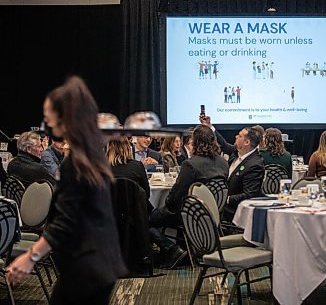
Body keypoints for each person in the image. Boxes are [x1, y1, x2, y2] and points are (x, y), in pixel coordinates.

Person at [6, 76, 126, 304]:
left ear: (64, 117)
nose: (46, 120)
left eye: (48, 113)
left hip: (84, 265)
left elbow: (65, 222)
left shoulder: (75, 164)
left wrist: (30, 257)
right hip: (102, 263)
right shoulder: (93, 156)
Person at [150, 125, 229, 265]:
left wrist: (166, 203)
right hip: (215, 213)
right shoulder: (223, 163)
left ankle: (172, 249)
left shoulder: (191, 164)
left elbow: (175, 197)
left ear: (195, 142)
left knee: (143, 219)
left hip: (190, 214)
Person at [106, 137, 151, 212]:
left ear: (109, 149)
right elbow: (146, 194)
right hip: (134, 215)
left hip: (108, 215)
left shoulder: (102, 168)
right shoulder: (137, 166)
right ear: (128, 148)